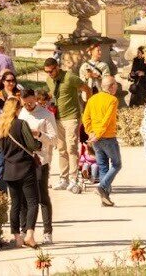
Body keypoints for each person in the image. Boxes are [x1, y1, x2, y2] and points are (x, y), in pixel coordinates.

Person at [0, 98, 42, 248]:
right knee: (33, 202)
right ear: (16, 109)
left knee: (15, 204)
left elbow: (1, 149)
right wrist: (39, 140)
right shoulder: (21, 124)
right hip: (25, 168)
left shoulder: (0, 127)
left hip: (9, 169)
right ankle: (29, 235)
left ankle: (17, 237)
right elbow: (32, 145)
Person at [19, 88, 58, 244]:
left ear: (35, 99)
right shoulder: (20, 113)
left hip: (40, 160)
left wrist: (39, 135)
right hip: (23, 160)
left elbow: (54, 139)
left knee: (42, 196)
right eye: (25, 103)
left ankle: (48, 231)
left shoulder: (46, 115)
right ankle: (25, 230)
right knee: (24, 197)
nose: (28, 106)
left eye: (30, 102)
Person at [41, 57, 85, 193]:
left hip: (72, 117)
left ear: (57, 67)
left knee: (71, 148)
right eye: (46, 72)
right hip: (57, 118)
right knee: (61, 148)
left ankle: (73, 179)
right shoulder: (49, 80)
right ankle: (63, 179)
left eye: (51, 71)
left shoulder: (70, 77)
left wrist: (86, 107)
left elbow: (86, 88)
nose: (49, 74)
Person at [80, 74, 122, 205]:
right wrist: (97, 134)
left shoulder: (92, 99)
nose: (116, 87)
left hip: (96, 139)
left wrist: (90, 132)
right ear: (111, 86)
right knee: (117, 164)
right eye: (115, 84)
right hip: (107, 137)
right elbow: (107, 120)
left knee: (103, 167)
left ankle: (105, 198)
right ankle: (102, 187)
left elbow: (85, 118)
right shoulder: (112, 100)